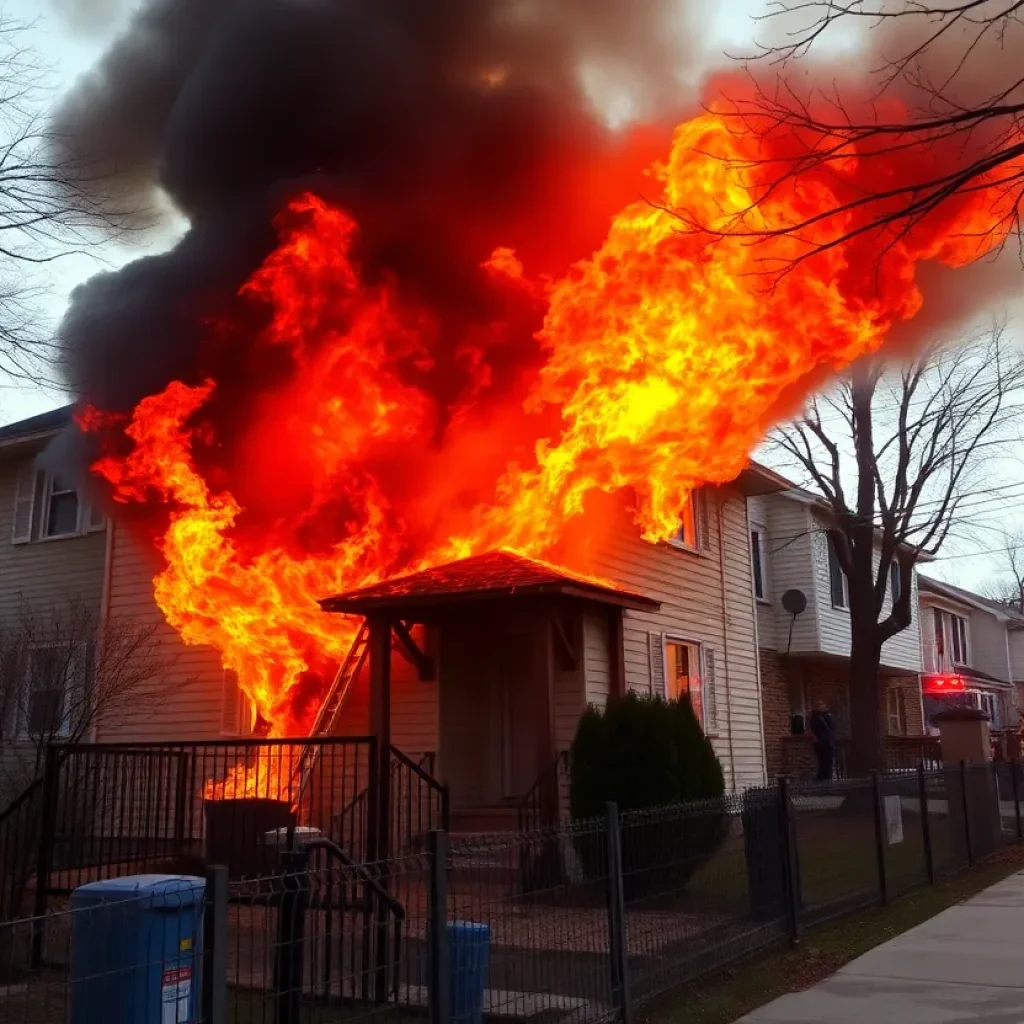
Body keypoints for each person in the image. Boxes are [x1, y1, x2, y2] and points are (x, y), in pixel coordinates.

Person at [808, 700, 837, 782]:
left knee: (828, 761)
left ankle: (828, 778)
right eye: (820, 706)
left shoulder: (827, 716)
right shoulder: (815, 717)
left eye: (823, 705)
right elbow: (812, 728)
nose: (822, 707)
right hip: (820, 742)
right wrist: (816, 738)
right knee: (822, 761)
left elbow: (832, 727)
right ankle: (822, 778)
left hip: (828, 742)